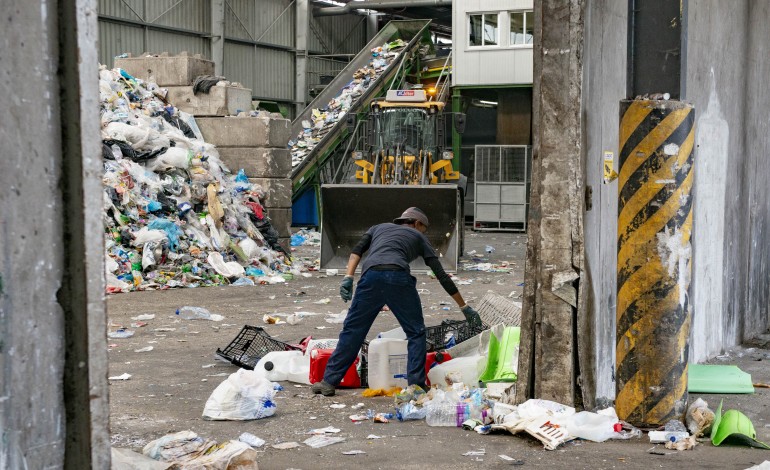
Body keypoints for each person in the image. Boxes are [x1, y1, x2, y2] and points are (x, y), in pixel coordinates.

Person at [311, 207, 482, 397]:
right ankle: (416, 386)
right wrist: (463, 306)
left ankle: (328, 382)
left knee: (353, 331)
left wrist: (348, 277)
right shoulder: (418, 237)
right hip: (398, 278)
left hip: (371, 278)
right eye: (423, 229)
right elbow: (441, 275)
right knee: (416, 333)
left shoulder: (377, 228)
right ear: (417, 224)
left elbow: (356, 251)